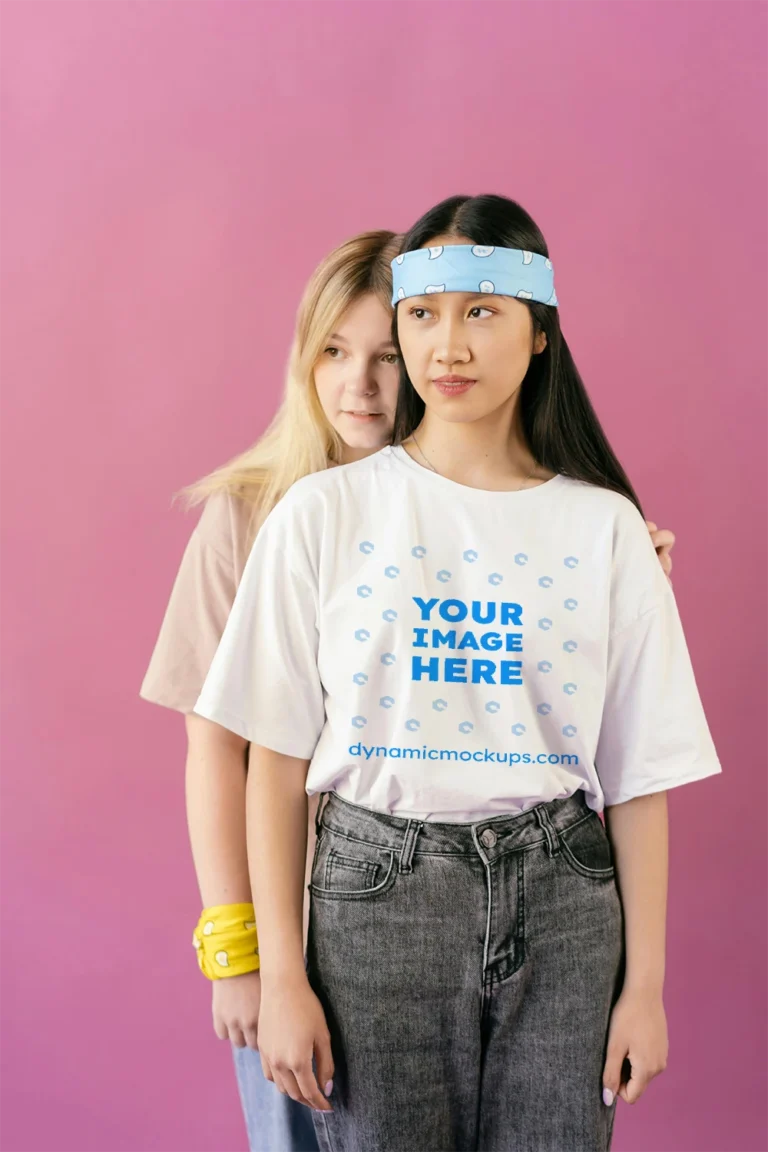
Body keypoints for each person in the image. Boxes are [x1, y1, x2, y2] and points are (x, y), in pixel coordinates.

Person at [193, 194, 719, 1152]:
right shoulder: (318, 514)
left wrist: (644, 989)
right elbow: (270, 764)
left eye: (484, 311)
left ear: (541, 332)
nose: (450, 345)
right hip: (373, 905)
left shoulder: (607, 530)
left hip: (566, 904)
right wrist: (278, 979)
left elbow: (640, 778)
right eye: (425, 315)